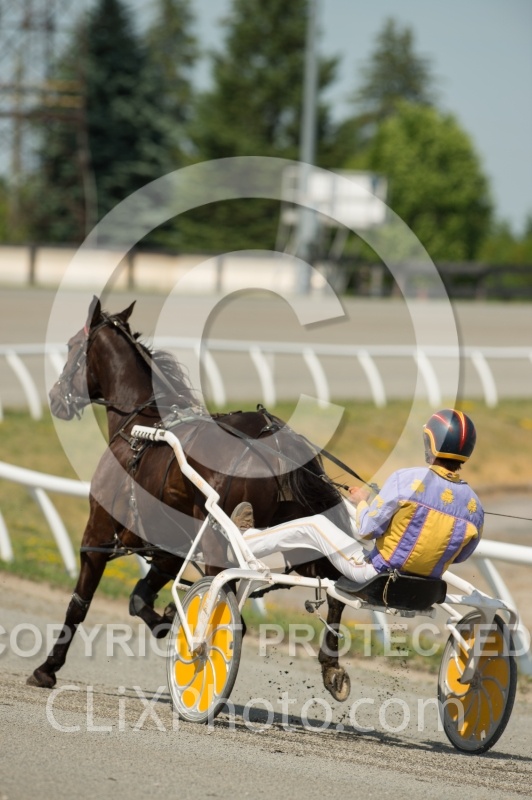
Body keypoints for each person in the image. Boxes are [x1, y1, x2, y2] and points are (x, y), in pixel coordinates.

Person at [231, 409, 484, 590]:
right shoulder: (475, 507)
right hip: (426, 588)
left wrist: (362, 501)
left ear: (431, 443)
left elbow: (367, 529)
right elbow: (460, 556)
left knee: (314, 524)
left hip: (375, 574)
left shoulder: (407, 480)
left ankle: (246, 542)